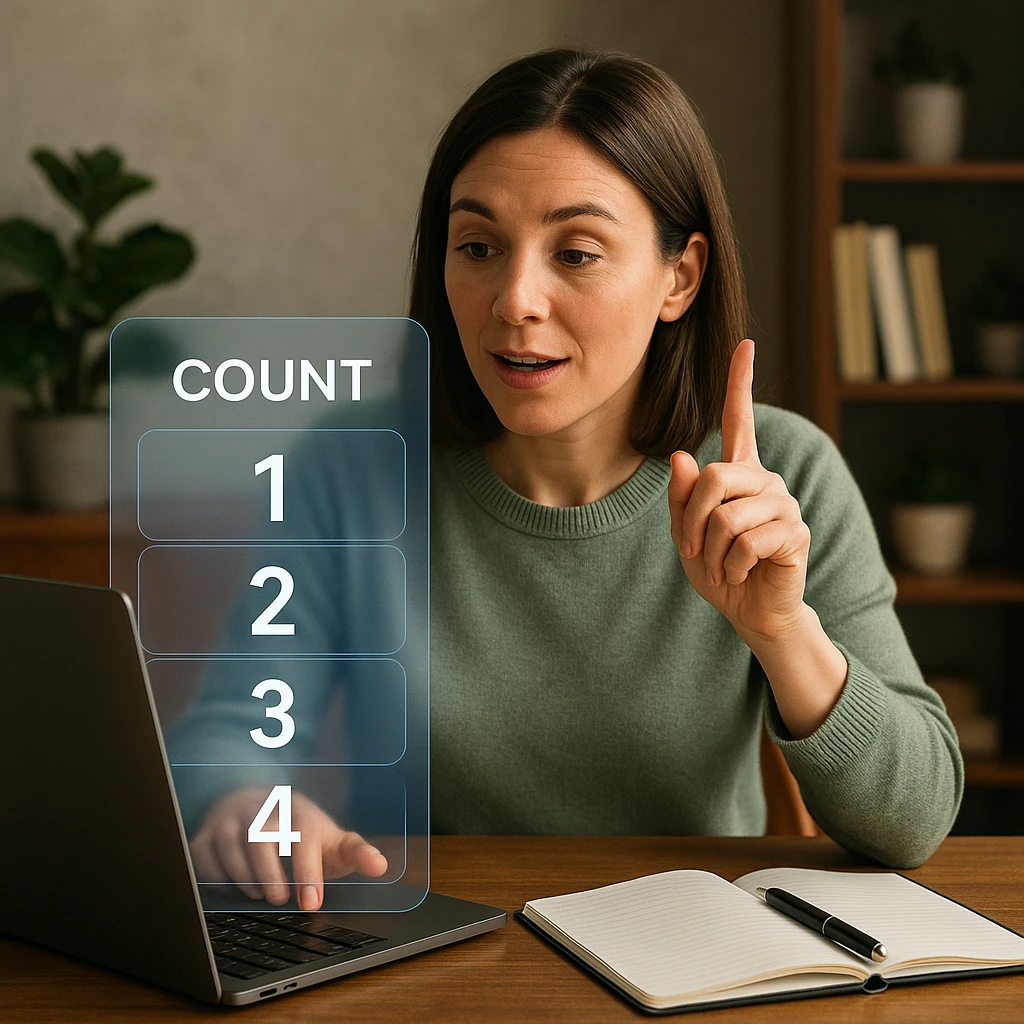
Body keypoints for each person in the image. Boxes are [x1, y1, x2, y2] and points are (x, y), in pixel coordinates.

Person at [174, 47, 963, 911]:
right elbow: (229, 727)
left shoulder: (784, 475)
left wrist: (783, 632)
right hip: (423, 951)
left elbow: (915, 818)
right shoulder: (348, 467)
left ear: (680, 276)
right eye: (477, 245)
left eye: (576, 253)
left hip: (697, 959)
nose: (515, 299)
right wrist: (245, 801)